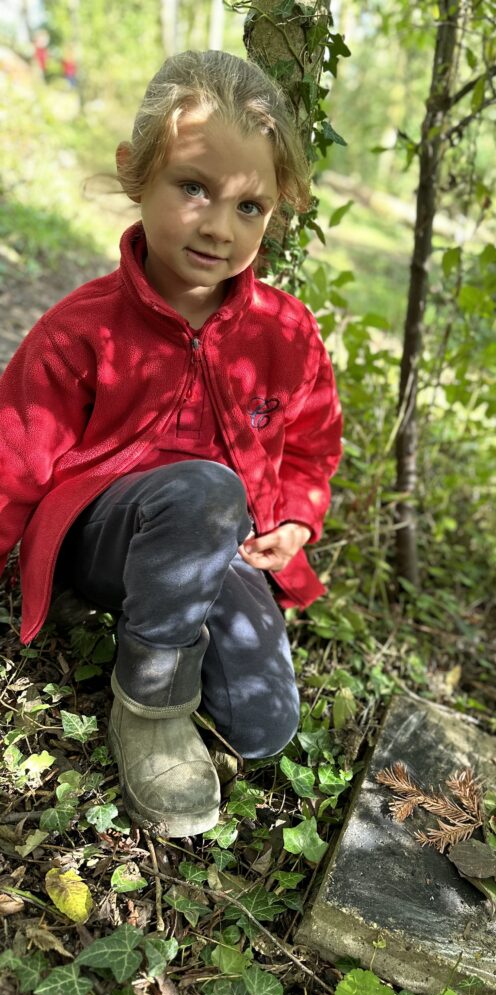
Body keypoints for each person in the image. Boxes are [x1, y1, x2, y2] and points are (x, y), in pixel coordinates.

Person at [0, 50, 343, 837]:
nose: (220, 226)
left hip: (213, 548)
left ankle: (179, 625)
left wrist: (294, 518)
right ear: (136, 173)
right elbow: (10, 465)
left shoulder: (286, 334)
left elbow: (311, 447)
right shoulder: (79, 331)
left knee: (265, 729)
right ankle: (150, 706)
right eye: (193, 187)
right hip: (106, 538)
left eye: (250, 206)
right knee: (205, 489)